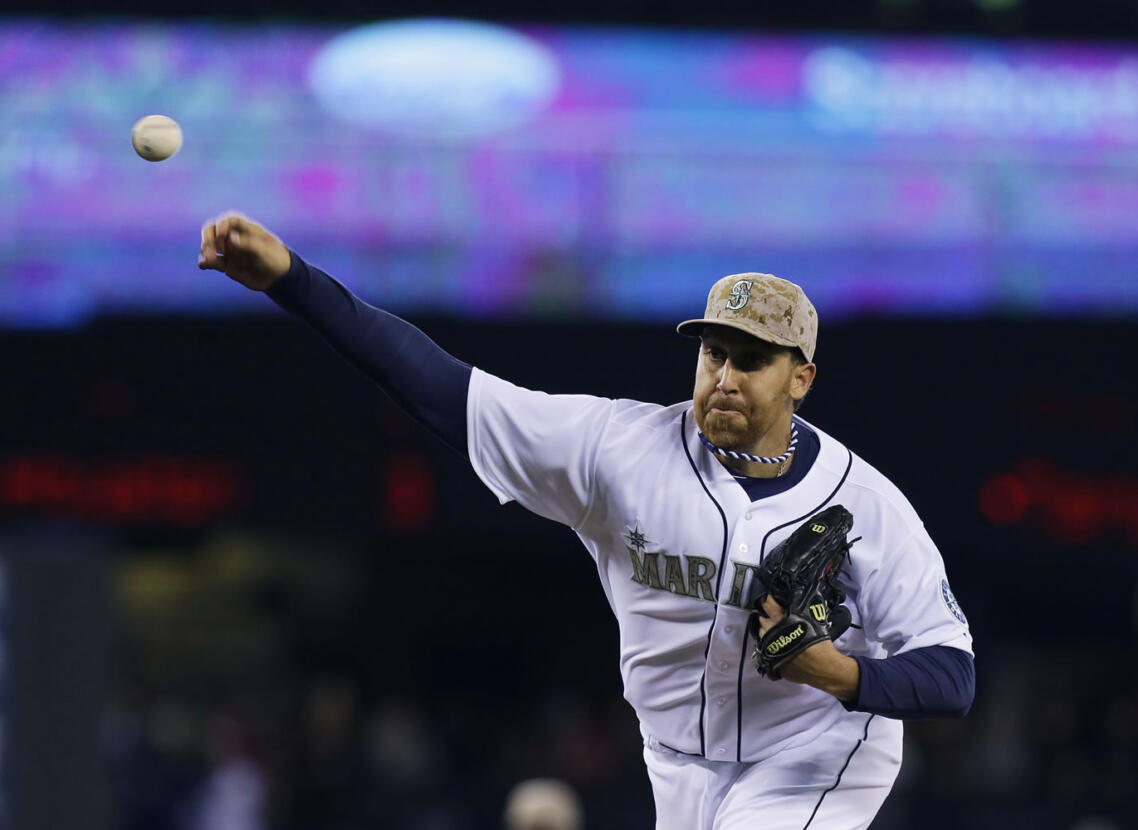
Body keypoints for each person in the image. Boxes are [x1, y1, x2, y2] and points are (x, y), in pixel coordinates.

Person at [197, 213, 975, 830]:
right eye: (713, 354)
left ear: (800, 377)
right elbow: (435, 383)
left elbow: (951, 676)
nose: (725, 377)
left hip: (816, 753)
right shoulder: (621, 450)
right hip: (675, 760)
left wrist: (838, 674)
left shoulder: (866, 506)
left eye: (752, 359)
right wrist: (290, 281)